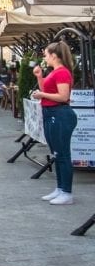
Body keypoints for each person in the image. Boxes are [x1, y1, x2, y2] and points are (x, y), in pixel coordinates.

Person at [32, 42, 78, 205]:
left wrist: (41, 94)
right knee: (57, 154)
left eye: (46, 54)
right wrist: (39, 77)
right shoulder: (55, 72)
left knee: (63, 155)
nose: (44, 57)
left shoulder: (62, 73)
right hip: (52, 113)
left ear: (54, 55)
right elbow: (49, 91)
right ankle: (61, 188)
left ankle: (66, 192)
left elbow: (63, 97)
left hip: (59, 114)